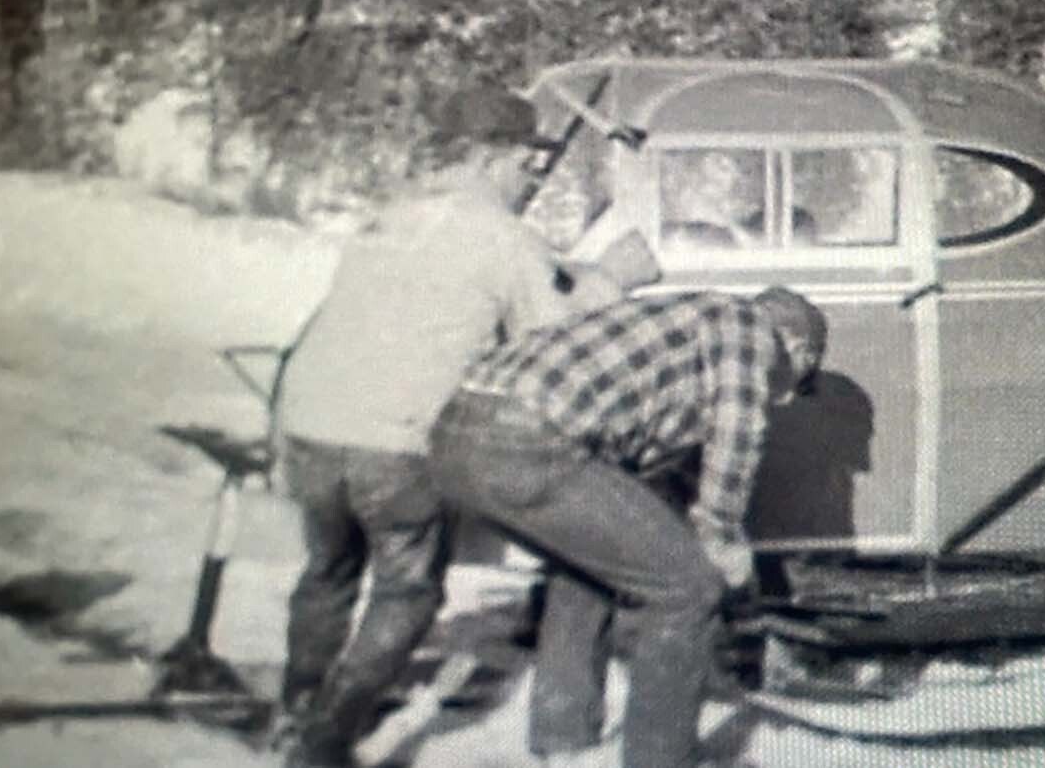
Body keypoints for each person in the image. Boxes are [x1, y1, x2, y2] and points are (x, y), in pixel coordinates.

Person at [272, 86, 656, 768]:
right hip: (393, 441)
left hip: (307, 422)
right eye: (523, 164)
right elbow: (552, 339)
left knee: (328, 569)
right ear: (487, 158)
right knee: (408, 588)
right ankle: (323, 739)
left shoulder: (390, 218)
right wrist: (610, 280)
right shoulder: (505, 237)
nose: (530, 177)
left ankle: (295, 709)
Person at [429, 286, 828, 768]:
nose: (782, 399)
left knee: (590, 571)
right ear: (799, 348)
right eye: (796, 383)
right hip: (526, 438)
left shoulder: (685, 321)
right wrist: (720, 536)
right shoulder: (748, 326)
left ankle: (565, 740)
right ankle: (661, 759)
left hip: (458, 435)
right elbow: (738, 432)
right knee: (689, 589)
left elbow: (647, 473)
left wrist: (689, 526)